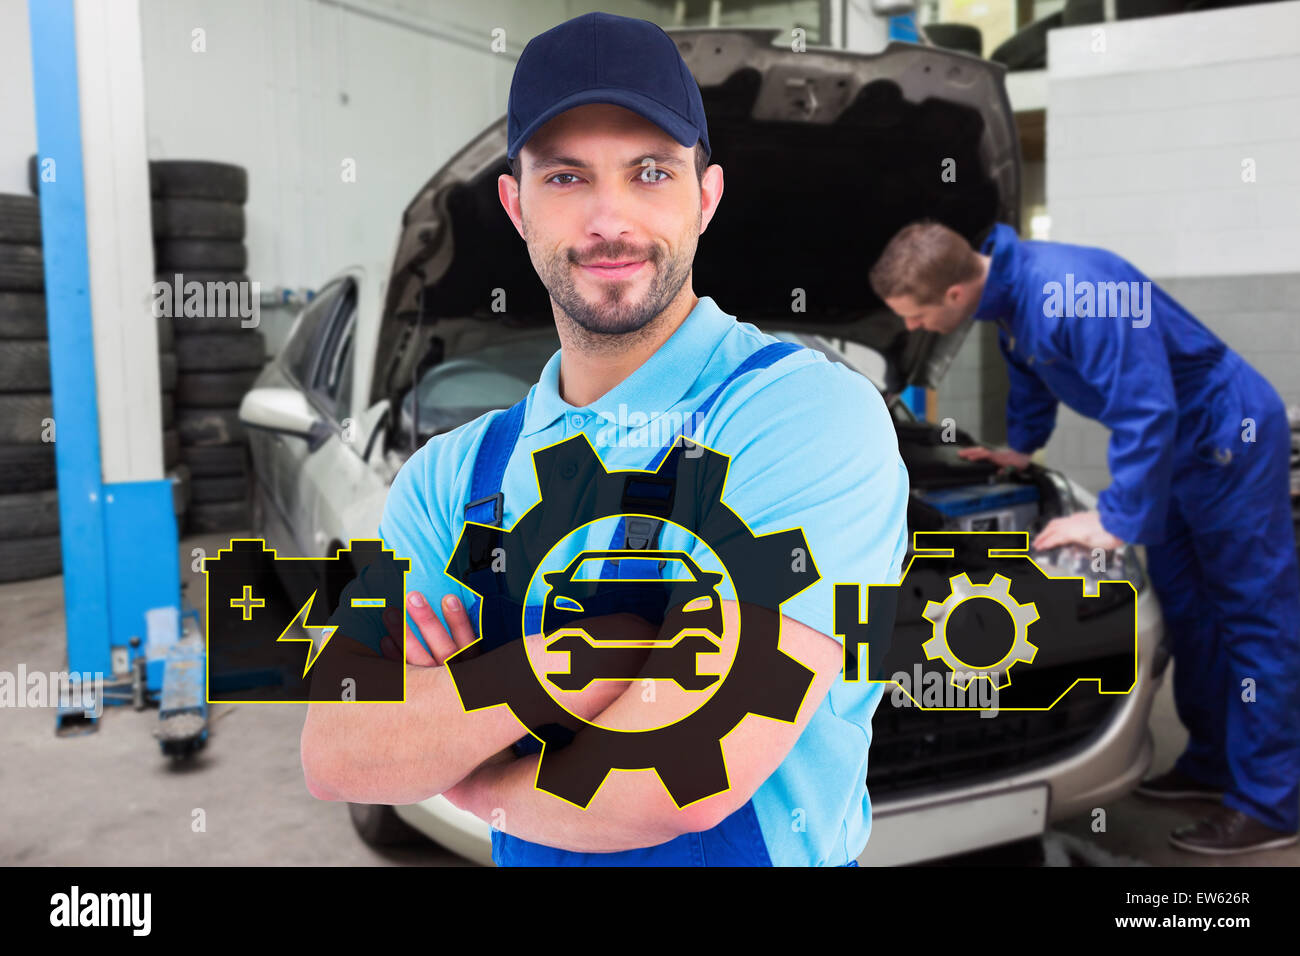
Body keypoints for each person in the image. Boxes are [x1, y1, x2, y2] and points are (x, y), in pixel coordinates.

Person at [300, 12, 909, 867]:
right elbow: (339, 748)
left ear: (707, 195)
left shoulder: (805, 418)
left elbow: (683, 777)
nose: (609, 218)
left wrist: (473, 772)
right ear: (516, 205)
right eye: (566, 178)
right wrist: (565, 668)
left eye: (650, 171)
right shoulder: (451, 476)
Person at [869, 218, 1300, 855]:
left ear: (954, 296)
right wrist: (1020, 449)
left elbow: (1147, 408)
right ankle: (1211, 765)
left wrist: (1115, 520)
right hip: (1176, 454)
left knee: (1253, 613)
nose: (911, 330)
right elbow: (1033, 376)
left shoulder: (1070, 292)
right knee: (1189, 610)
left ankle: (1273, 802)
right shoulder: (1008, 296)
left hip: (1223, 438)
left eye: (915, 315)